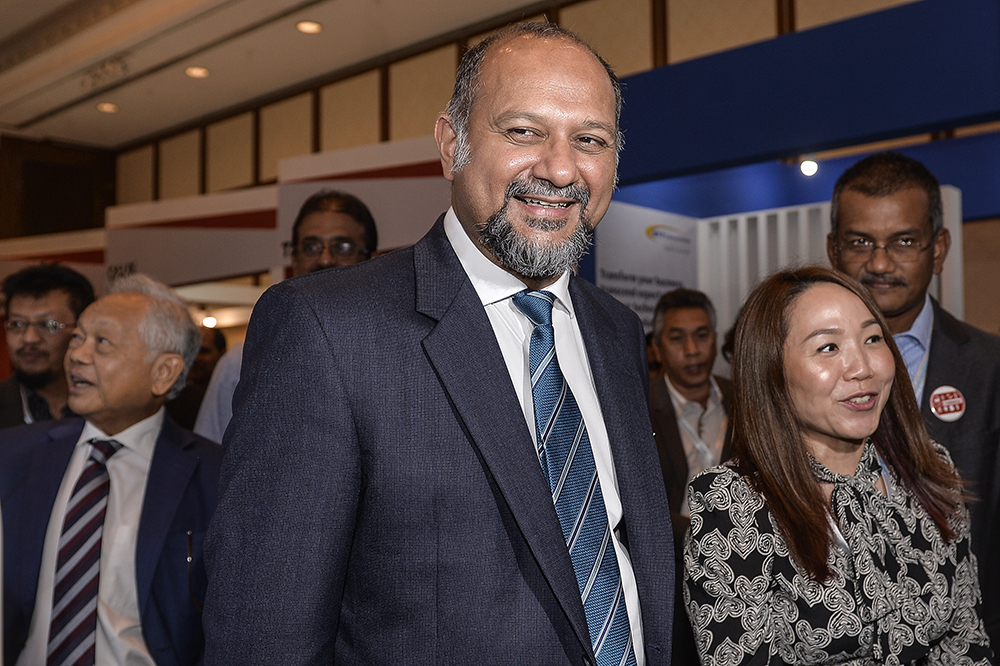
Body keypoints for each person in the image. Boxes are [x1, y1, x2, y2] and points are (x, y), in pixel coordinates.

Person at [203, 22, 673, 666]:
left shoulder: (615, 329)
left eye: (590, 140)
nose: (562, 169)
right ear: (452, 146)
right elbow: (264, 636)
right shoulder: (325, 329)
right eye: (524, 131)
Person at [685, 266, 991, 665]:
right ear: (771, 369)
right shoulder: (733, 502)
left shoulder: (927, 469)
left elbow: (966, 642)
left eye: (873, 339)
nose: (862, 367)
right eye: (828, 347)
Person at [0, 274, 223, 666]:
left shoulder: (215, 476)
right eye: (77, 338)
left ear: (163, 372)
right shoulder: (13, 454)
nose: (77, 355)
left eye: (102, 342)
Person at [827, 151, 1000, 643]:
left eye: (904, 241)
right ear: (832, 249)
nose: (880, 263)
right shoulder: (789, 371)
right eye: (860, 242)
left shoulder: (991, 369)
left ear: (938, 249)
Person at [192, 189, 377, 444]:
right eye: (311, 246)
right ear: (294, 257)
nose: (325, 259)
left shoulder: (396, 355)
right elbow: (209, 455)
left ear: (372, 259)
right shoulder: (243, 362)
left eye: (342, 247)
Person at [647, 289, 731, 666]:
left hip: (743, 565)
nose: (693, 350)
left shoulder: (744, 400)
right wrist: (704, 533)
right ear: (657, 347)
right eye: (677, 338)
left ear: (715, 338)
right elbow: (634, 505)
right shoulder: (636, 406)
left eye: (702, 335)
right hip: (670, 568)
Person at [0, 265, 94, 428]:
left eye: (48, 325)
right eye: (17, 324)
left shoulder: (114, 409)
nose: (29, 338)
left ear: (81, 330)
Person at [166, 327, 226, 429]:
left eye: (203, 351)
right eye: (191, 351)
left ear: (222, 354)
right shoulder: (171, 398)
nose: (196, 358)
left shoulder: (227, 397)